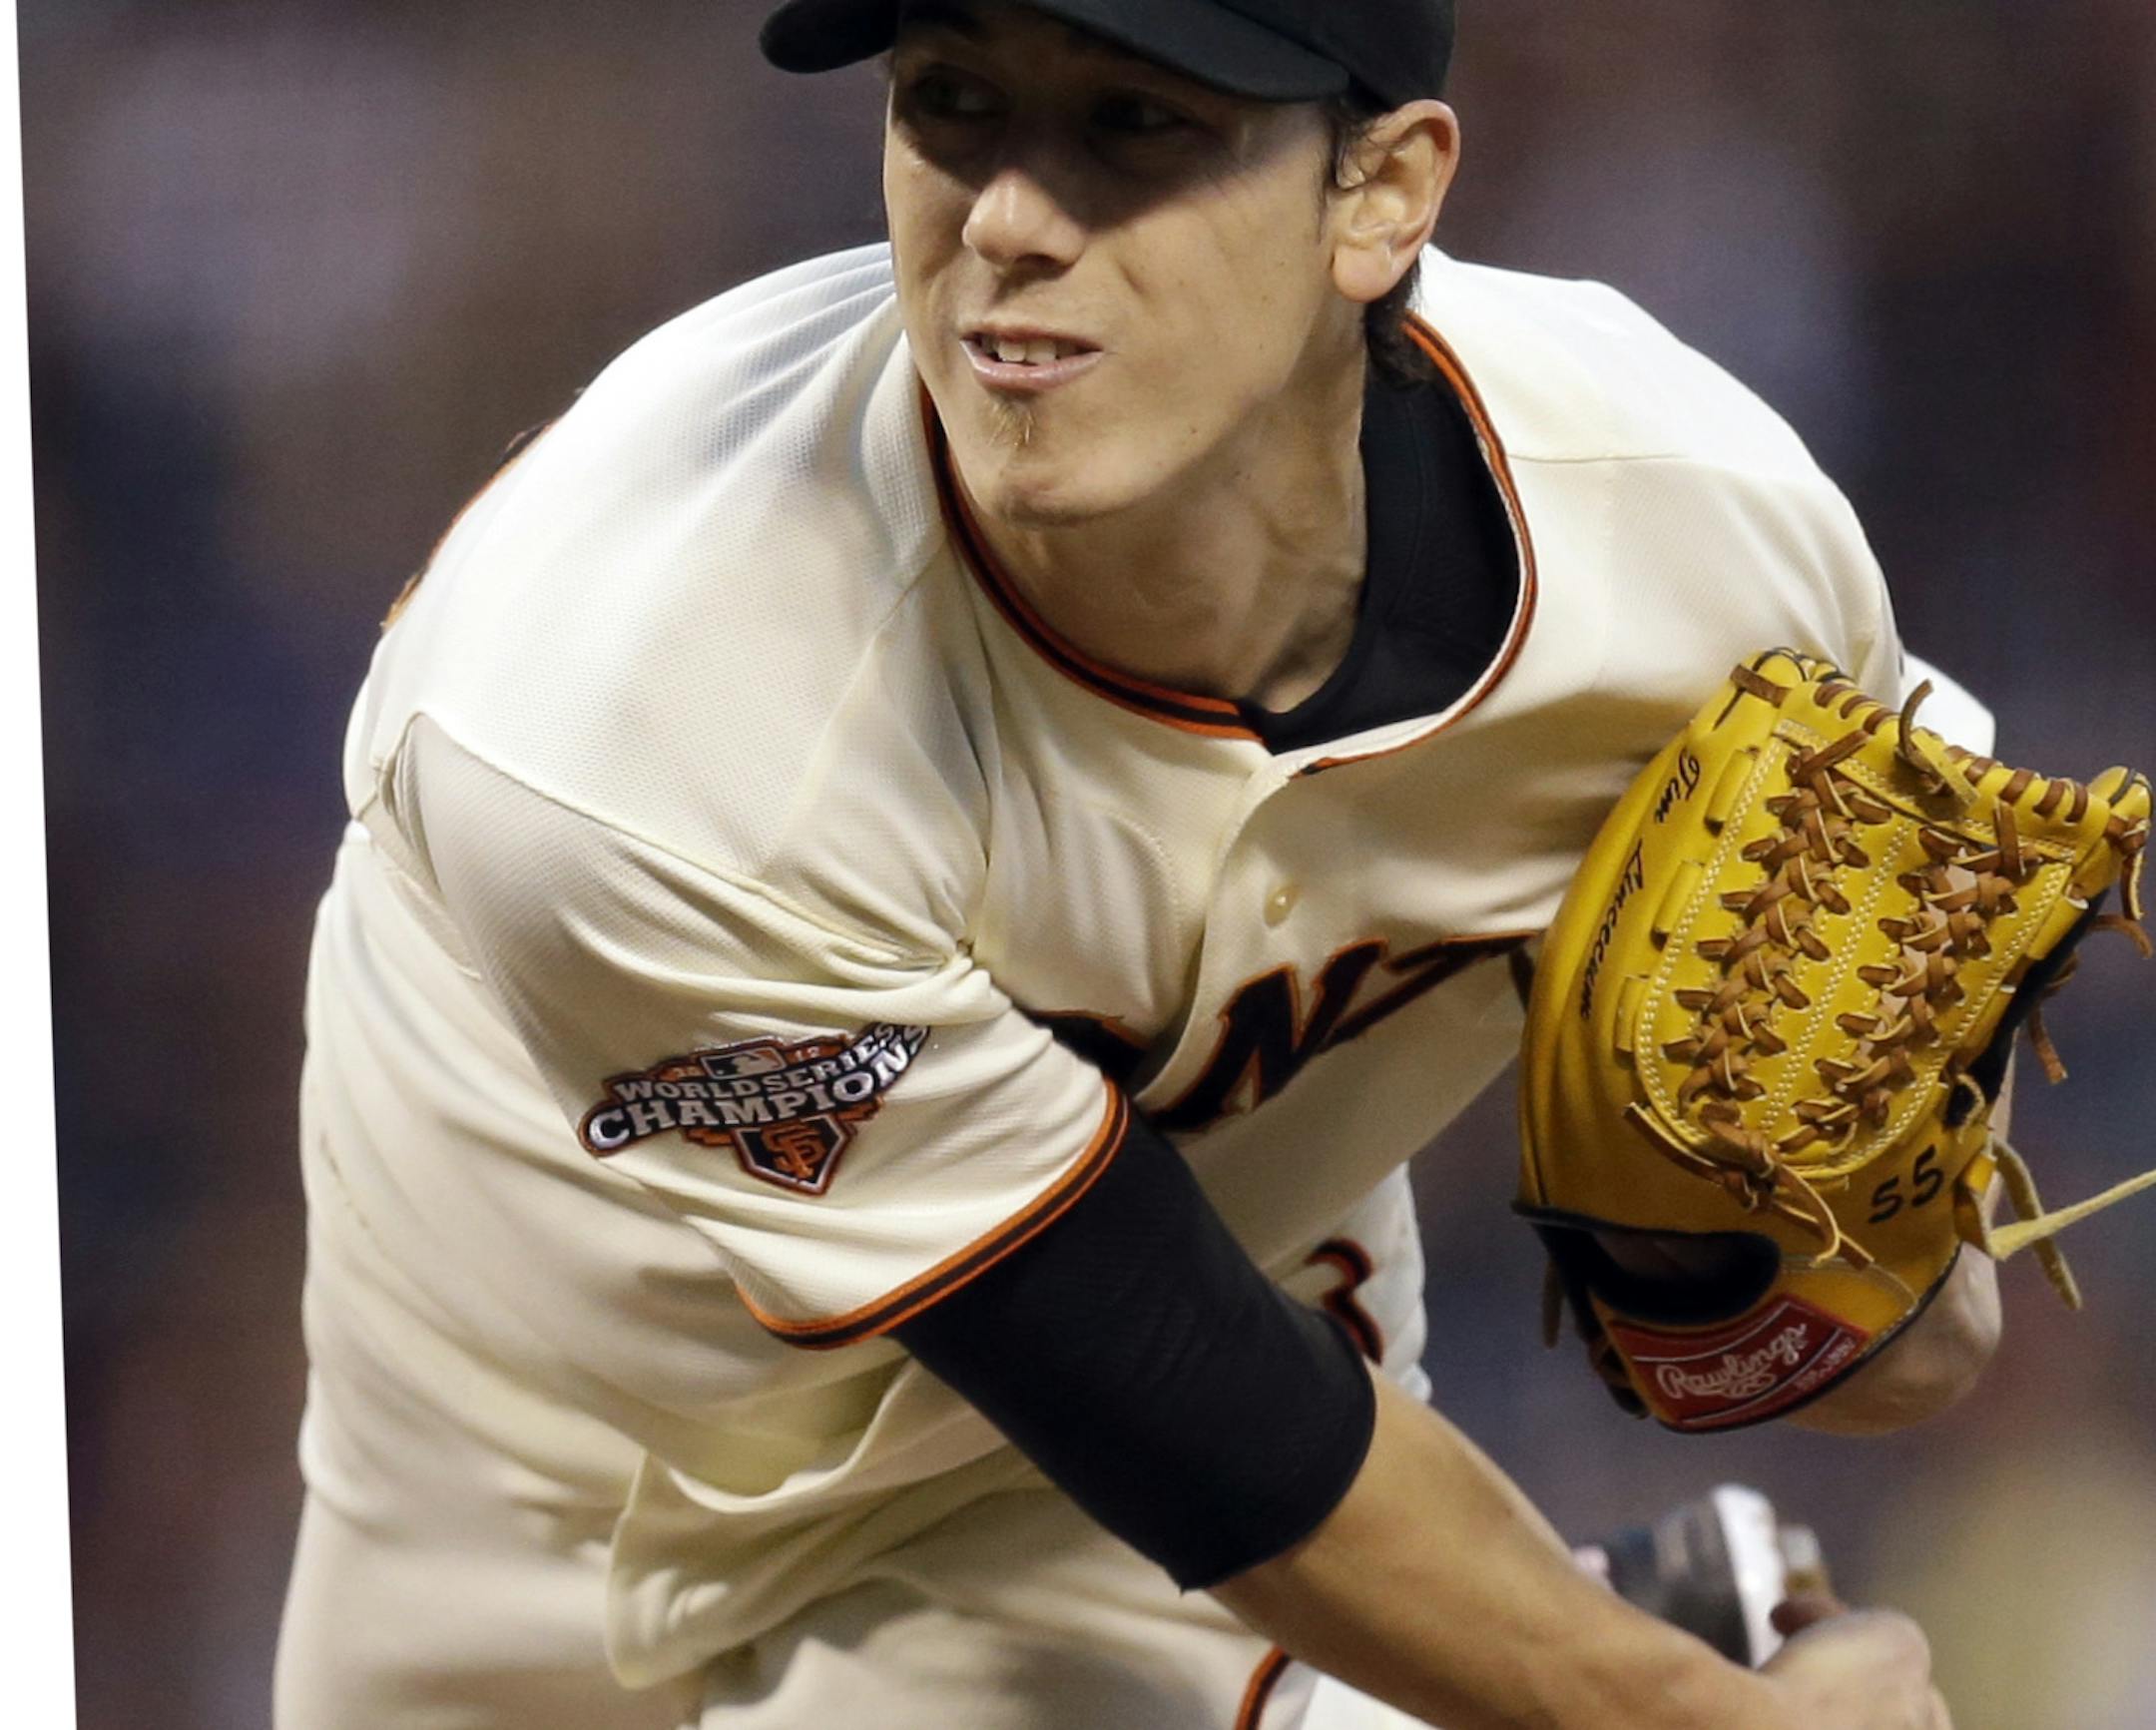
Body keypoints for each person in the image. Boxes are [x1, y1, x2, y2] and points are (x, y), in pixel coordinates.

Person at [274, 2, 1994, 1725]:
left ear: (1379, 195)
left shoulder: (1691, 536)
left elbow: (1209, 1421)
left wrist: (1870, 1277)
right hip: (512, 1475)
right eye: (951, 105)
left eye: (1133, 122)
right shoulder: (639, 696)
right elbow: (1144, 1367)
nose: (1010, 217)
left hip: (1126, 1482)